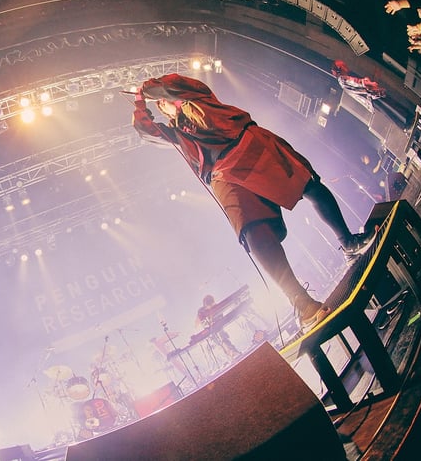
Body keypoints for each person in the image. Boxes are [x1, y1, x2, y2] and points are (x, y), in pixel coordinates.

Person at [130, 74, 374, 331]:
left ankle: (349, 242)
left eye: (162, 102)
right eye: (157, 106)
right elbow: (146, 130)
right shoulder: (178, 134)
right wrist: (139, 105)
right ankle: (303, 304)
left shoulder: (196, 97)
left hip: (249, 144)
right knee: (252, 230)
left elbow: (171, 86)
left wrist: (145, 90)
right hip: (222, 173)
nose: (161, 106)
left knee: (307, 184)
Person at [194, 294, 240, 359]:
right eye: (210, 306)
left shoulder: (216, 306)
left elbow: (221, 318)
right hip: (209, 331)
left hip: (218, 328)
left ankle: (233, 352)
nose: (212, 306)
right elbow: (196, 324)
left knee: (222, 338)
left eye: (213, 304)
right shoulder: (201, 311)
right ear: (205, 306)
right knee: (220, 341)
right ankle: (232, 353)